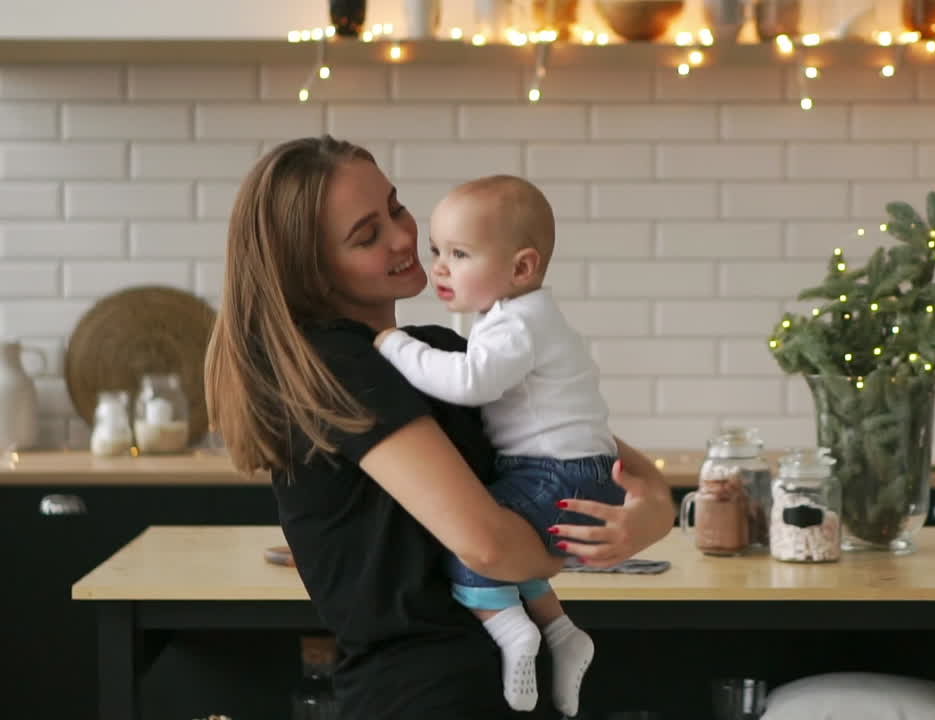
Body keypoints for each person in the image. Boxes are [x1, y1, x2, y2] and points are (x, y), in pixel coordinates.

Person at [204, 136, 674, 719]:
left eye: (396, 208)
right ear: (313, 271)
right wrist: (572, 553)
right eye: (366, 235)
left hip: (491, 689)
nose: (405, 238)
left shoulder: (441, 357)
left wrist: (653, 508)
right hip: (423, 696)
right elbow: (489, 547)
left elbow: (597, 452)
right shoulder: (336, 366)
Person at [371, 175, 617, 715]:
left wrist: (396, 347)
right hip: (578, 471)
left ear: (522, 268)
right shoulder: (521, 316)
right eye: (437, 250)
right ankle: (560, 630)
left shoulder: (516, 325)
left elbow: (469, 382)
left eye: (459, 254)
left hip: (556, 475)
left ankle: (512, 633)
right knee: (511, 541)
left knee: (472, 543)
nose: (439, 265)